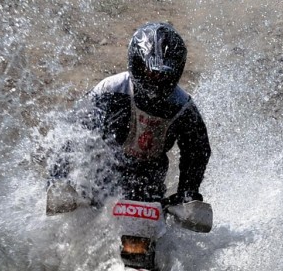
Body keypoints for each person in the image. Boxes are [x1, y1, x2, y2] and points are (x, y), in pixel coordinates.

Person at [48, 21, 211, 212]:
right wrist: (59, 180)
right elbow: (73, 133)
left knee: (160, 228)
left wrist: (187, 194)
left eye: (162, 74)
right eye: (150, 71)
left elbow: (197, 152)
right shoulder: (110, 90)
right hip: (100, 176)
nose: (156, 79)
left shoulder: (183, 107)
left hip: (148, 184)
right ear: (136, 63)